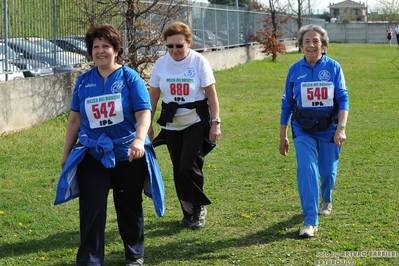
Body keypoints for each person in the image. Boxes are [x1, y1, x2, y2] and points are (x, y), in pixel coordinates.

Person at [56, 23, 164, 266]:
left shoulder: (129, 77)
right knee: (92, 207)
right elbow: (75, 119)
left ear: (116, 50)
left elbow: (144, 112)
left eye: (106, 46)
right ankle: (90, 261)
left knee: (128, 205)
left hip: (128, 154)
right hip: (93, 154)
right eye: (96, 47)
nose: (101, 51)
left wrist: (139, 139)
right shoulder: (84, 82)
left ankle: (134, 255)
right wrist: (66, 154)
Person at [148, 21, 221, 230]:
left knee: (189, 165)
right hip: (172, 123)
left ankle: (199, 209)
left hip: (196, 120)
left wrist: (215, 123)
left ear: (189, 43)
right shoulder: (161, 64)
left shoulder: (199, 62)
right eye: (170, 46)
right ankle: (187, 211)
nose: (174, 50)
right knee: (178, 168)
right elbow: (153, 96)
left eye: (179, 45)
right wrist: (148, 125)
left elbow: (211, 95)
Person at [279, 24, 349, 238]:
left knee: (327, 172)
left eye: (315, 41)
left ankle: (325, 198)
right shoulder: (294, 70)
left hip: (329, 128)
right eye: (306, 41)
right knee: (307, 169)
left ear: (324, 46)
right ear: (301, 47)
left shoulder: (334, 67)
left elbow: (343, 99)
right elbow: (287, 104)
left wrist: (341, 128)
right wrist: (282, 136)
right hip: (303, 128)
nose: (311, 45)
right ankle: (310, 220)